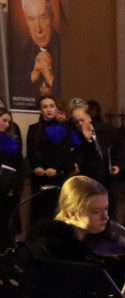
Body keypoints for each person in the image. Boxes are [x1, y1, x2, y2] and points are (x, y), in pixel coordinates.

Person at [25, 95, 75, 224]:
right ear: (40, 110)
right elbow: (31, 151)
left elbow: (65, 152)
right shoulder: (34, 129)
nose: (49, 110)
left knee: (56, 210)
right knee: (38, 212)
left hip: (57, 175)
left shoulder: (65, 128)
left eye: (52, 106)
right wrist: (36, 166)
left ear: (56, 109)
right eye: (45, 107)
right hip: (39, 176)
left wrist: (55, 167)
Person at [11, 0, 60, 104]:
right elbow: (12, 85)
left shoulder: (66, 48)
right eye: (31, 19)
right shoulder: (25, 48)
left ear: (52, 17)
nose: (38, 29)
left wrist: (50, 77)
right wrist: (32, 77)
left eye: (43, 18)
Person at [0, 109, 26, 250]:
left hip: (9, 192)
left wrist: (14, 187)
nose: (7, 124)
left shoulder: (12, 142)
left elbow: (21, 167)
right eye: (4, 120)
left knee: (7, 228)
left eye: (9, 122)